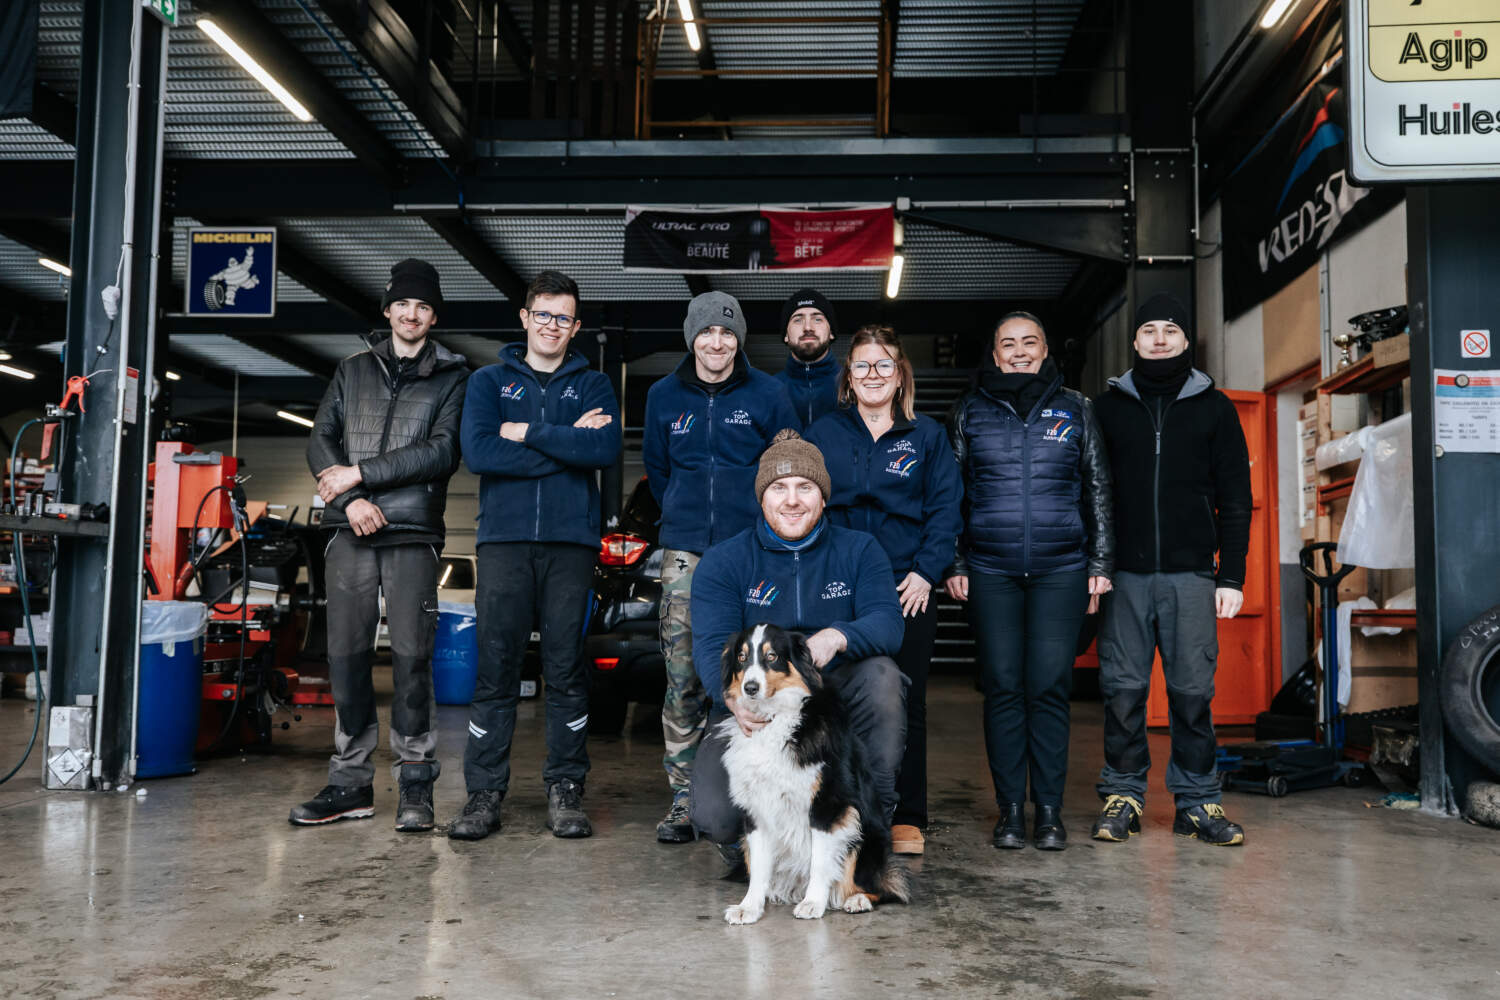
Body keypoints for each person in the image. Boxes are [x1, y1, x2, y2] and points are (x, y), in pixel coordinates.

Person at [294, 258, 469, 831]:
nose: (411, 314)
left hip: (413, 533)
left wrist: (361, 473)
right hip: (350, 530)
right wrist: (350, 503)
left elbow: (442, 452)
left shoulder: (453, 376)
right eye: (403, 304)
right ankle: (350, 783)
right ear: (388, 310)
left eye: (422, 306)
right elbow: (320, 441)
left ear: (432, 315)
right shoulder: (351, 370)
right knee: (346, 657)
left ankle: (416, 784)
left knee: (415, 660)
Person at [449, 270, 621, 841]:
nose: (552, 326)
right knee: (495, 668)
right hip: (504, 543)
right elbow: (479, 452)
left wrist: (524, 432)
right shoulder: (487, 383)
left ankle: (566, 788)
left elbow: (602, 448)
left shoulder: (594, 385)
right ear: (525, 318)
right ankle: (483, 794)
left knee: (567, 667)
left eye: (563, 318)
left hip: (571, 545)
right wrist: (563, 440)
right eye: (542, 314)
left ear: (575, 327)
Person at [688, 429, 908, 855]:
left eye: (805, 487)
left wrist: (839, 635)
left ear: (823, 497)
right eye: (779, 488)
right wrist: (730, 698)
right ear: (762, 498)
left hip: (830, 697)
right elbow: (712, 645)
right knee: (715, 817)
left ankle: (868, 825)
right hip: (756, 703)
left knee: (883, 677)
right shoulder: (725, 561)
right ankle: (765, 844)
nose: (792, 500)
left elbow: (888, 624)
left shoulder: (860, 550)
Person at [944, 312, 1113, 851]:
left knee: (1048, 688)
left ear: (1044, 351)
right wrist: (956, 563)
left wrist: (1101, 564)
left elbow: (1099, 490)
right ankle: (1010, 811)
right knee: (1002, 689)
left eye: (1029, 342)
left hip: (1060, 569)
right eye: (1008, 344)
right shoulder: (970, 411)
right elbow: (950, 495)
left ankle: (1049, 812)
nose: (1019, 352)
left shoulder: (1076, 408)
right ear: (994, 355)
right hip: (990, 570)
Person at [1089, 292, 1252, 847]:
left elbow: (1235, 497)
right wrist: (1095, 566)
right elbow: (1089, 494)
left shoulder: (1216, 408)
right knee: (1123, 692)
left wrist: (1231, 576)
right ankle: (1123, 796)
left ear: (1186, 341)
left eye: (1170, 330)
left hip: (1190, 577)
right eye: (1150, 330)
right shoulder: (1106, 408)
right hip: (1123, 577)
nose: (1160, 338)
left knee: (1191, 695)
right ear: (1134, 341)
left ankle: (1198, 801)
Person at [643, 291, 798, 844]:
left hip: (751, 551)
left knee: (759, 674)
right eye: (707, 332)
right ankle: (686, 799)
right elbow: (658, 470)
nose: (717, 342)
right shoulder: (663, 395)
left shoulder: (769, 393)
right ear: (692, 337)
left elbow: (783, 468)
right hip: (684, 552)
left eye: (728, 333)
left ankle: (771, 793)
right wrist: (684, 516)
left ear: (739, 340)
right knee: (684, 674)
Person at [804, 325, 962, 856]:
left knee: (905, 699)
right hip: (836, 582)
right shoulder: (824, 433)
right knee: (831, 697)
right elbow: (806, 504)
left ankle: (906, 815)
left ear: (900, 377)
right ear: (848, 377)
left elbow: (945, 511)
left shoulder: (927, 437)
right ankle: (830, 809)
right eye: (863, 366)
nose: (873, 375)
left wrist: (926, 571)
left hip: (904, 586)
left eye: (884, 365)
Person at [774, 287, 841, 427]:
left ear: (831, 333)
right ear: (786, 335)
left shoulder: (852, 387)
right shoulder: (769, 390)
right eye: (798, 320)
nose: (808, 327)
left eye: (817, 319)